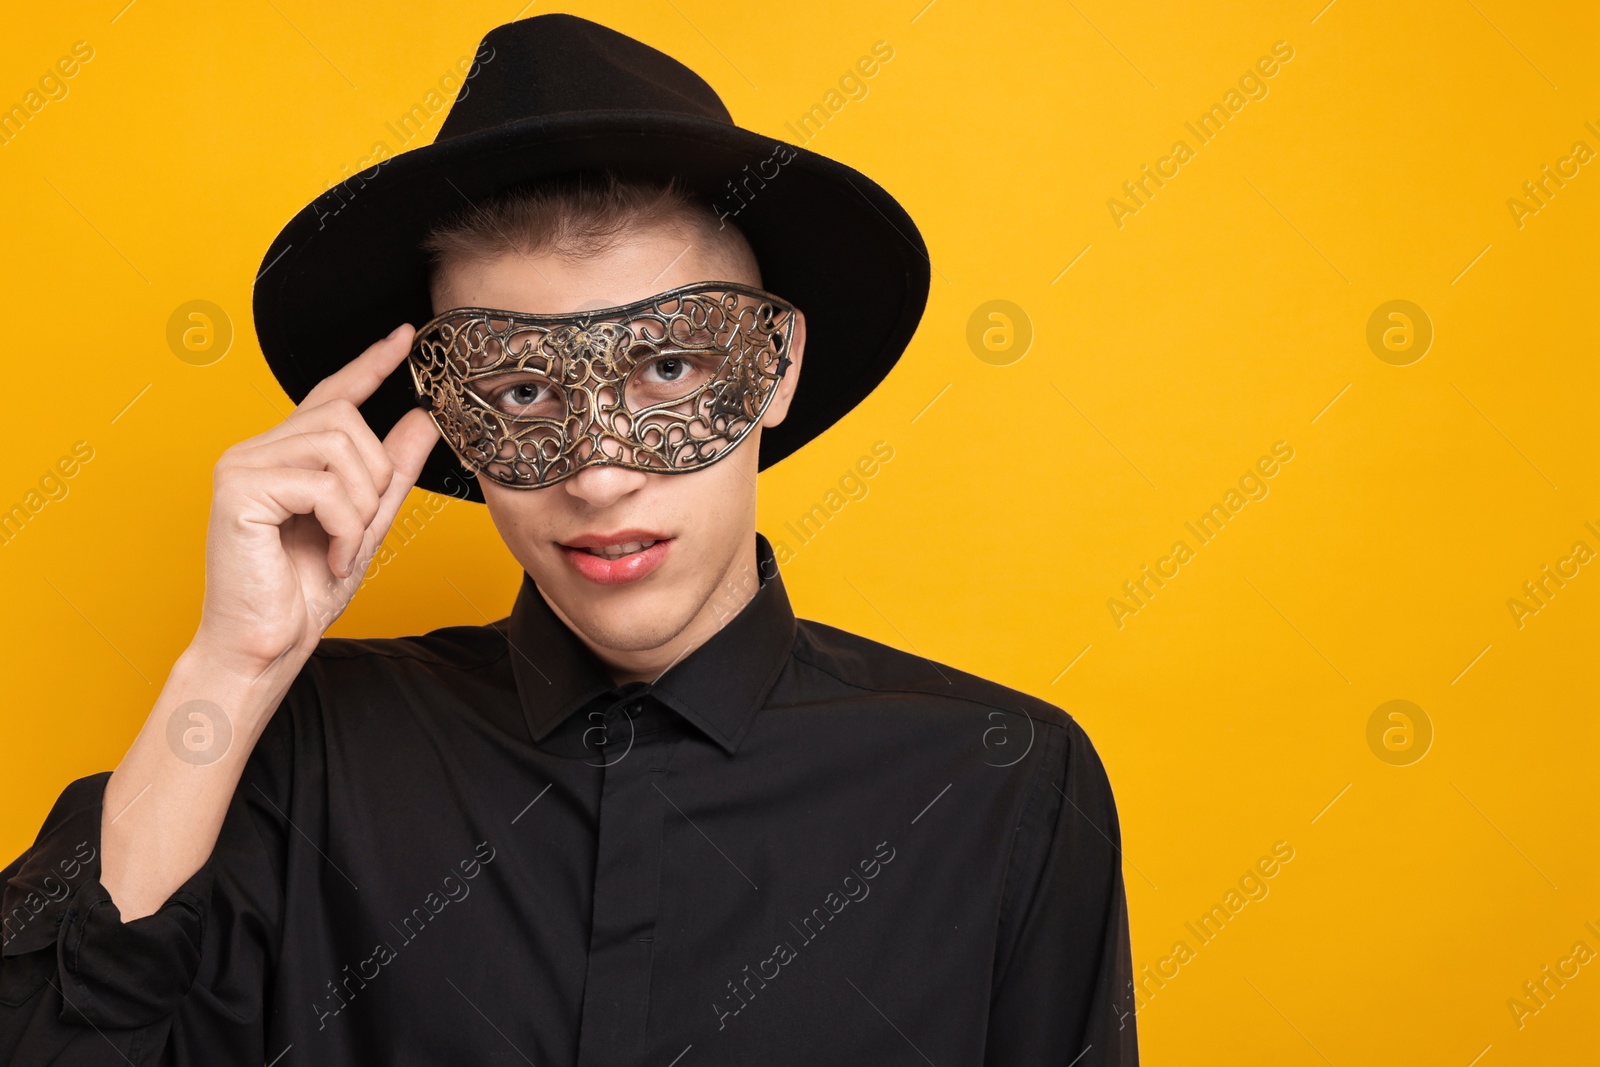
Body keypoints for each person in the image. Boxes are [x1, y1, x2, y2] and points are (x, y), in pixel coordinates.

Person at [0, 13, 1137, 1066]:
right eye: (525, 390)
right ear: (446, 412)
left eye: (669, 366)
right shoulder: (303, 752)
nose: (598, 473)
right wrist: (230, 669)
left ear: (776, 365)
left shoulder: (999, 786)